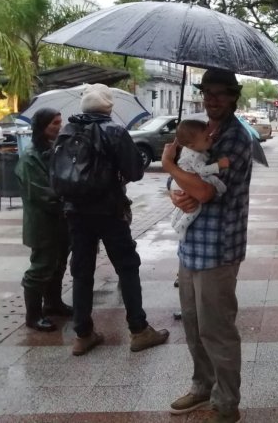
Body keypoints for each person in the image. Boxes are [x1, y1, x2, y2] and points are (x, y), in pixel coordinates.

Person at [162, 70, 252, 423]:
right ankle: (202, 386)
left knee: (217, 329)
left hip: (219, 248)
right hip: (190, 246)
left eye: (220, 93)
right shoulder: (197, 132)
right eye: (207, 92)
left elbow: (205, 190)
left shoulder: (235, 139)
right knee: (194, 325)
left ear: (233, 97)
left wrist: (170, 165)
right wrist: (175, 192)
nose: (212, 99)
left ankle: (226, 403)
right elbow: (185, 181)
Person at [63, 83, 169, 356]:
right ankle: (139, 330)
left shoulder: (67, 129)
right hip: (109, 210)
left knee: (82, 271)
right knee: (127, 266)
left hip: (75, 211)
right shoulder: (113, 130)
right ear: (108, 106)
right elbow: (135, 170)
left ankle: (83, 333)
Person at [15, 108, 72, 332]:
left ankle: (53, 303)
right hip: (43, 224)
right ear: (41, 126)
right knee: (40, 268)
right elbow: (41, 194)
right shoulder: (30, 158)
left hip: (60, 221)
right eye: (53, 123)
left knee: (58, 265)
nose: (58, 126)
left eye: (60, 122)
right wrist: (68, 199)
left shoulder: (53, 150)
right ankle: (33, 314)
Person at [170, 119, 230, 242]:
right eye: (206, 139)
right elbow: (202, 171)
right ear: (192, 145)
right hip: (186, 182)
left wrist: (208, 138)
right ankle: (180, 227)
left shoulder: (192, 148)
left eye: (209, 135)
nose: (210, 139)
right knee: (194, 208)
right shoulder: (194, 155)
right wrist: (218, 165)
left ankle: (174, 220)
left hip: (180, 181)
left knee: (182, 206)